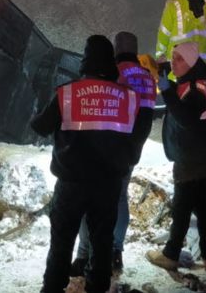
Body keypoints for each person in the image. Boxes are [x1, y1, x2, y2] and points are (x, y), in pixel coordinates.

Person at [32, 35, 143, 293]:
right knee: (102, 241)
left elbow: (40, 127)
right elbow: (136, 134)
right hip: (109, 184)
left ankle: (52, 288)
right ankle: (97, 287)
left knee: (61, 240)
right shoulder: (128, 98)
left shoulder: (68, 93)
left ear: (86, 61)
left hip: (71, 184)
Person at [70, 32, 155, 275]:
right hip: (134, 146)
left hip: (110, 145)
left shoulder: (114, 72)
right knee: (120, 198)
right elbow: (147, 115)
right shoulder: (148, 78)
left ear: (116, 51)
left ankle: (84, 254)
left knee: (92, 199)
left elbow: (106, 108)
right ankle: (115, 252)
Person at [146, 42, 206, 272]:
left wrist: (166, 88)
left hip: (191, 157)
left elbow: (184, 118)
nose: (175, 62)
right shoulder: (194, 82)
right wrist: (164, 68)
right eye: (173, 57)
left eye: (179, 59)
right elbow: (178, 85)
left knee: (182, 206)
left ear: (191, 63)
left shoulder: (196, 91)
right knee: (201, 204)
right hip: (201, 155)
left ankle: (170, 254)